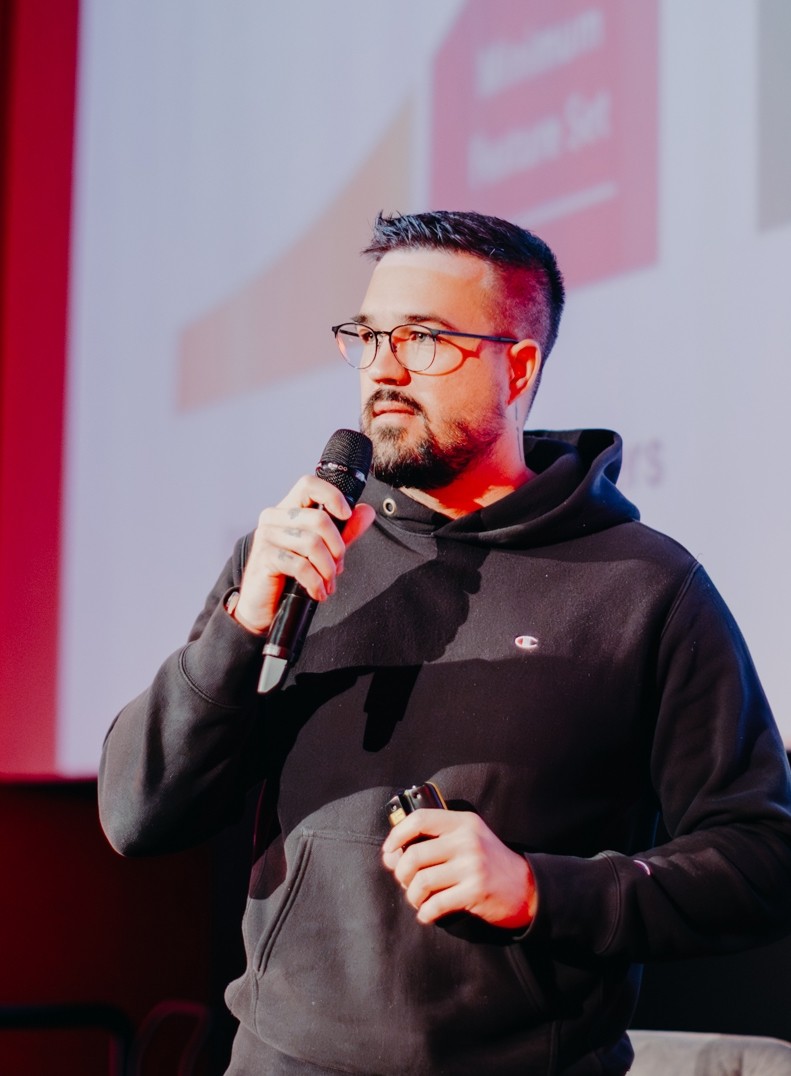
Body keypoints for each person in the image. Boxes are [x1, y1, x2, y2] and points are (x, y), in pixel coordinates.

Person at [99, 210, 791, 1075]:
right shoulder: (298, 557)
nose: (383, 369)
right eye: (369, 335)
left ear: (519, 367)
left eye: (423, 338)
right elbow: (137, 814)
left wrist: (543, 890)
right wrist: (240, 627)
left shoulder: (643, 586)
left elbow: (761, 860)